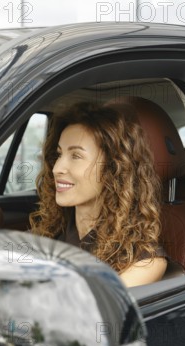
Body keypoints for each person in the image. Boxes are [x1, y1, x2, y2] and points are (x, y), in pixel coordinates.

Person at [29, 101, 168, 287]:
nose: (57, 169)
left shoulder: (145, 263)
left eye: (76, 156)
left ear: (114, 168)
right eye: (59, 154)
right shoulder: (48, 233)